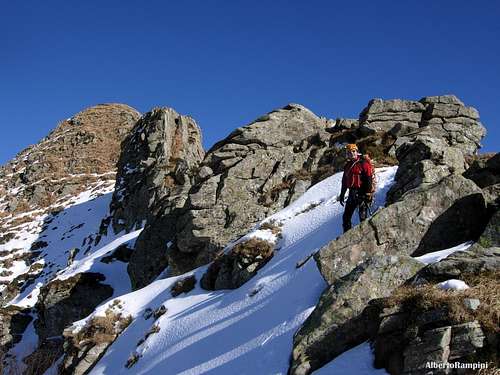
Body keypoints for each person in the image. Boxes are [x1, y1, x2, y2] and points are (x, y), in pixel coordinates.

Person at [337, 143, 374, 233]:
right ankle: (346, 236)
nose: (352, 153)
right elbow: (345, 182)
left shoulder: (364, 164)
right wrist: (342, 194)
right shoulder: (347, 166)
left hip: (362, 193)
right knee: (346, 217)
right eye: (349, 152)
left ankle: (366, 236)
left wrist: (368, 193)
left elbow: (368, 179)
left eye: (353, 151)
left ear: (357, 152)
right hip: (352, 193)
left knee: (363, 218)